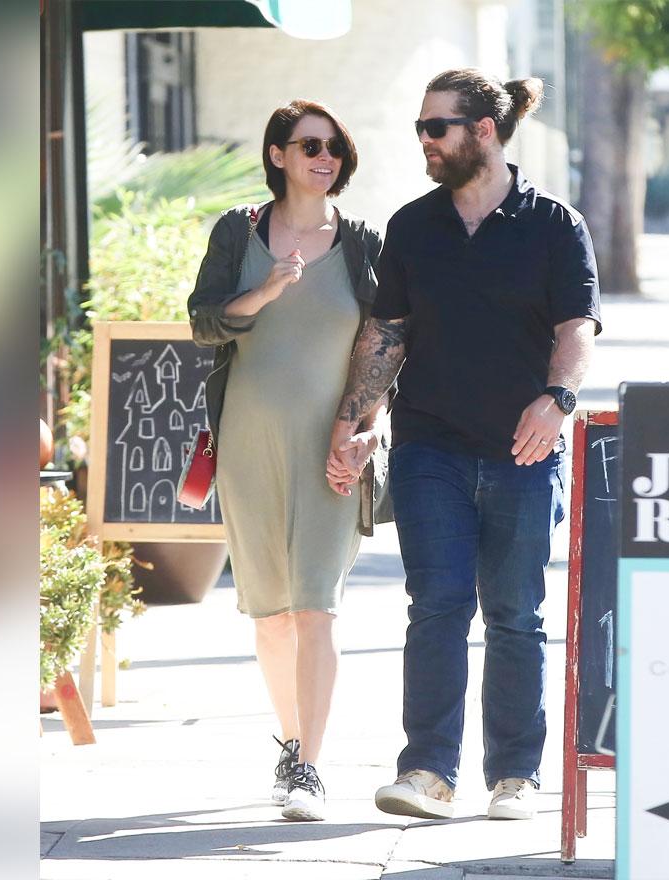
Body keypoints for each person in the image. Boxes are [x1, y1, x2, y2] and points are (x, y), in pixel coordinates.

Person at [326, 69, 601, 821]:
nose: (425, 140)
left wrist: (559, 400)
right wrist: (357, 423)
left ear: (483, 131)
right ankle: (426, 773)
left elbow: (577, 330)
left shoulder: (554, 224)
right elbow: (387, 335)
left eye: (436, 127)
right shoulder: (414, 226)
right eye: (421, 128)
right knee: (437, 606)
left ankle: (515, 775)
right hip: (430, 450)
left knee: (515, 613)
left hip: (522, 451)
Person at [189, 100, 387, 822]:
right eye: (308, 144)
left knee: (316, 605)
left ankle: (309, 766)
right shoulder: (238, 231)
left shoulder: (363, 242)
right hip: (248, 442)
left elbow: (387, 347)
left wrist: (366, 432)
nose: (323, 156)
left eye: (333, 145)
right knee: (271, 613)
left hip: (331, 445)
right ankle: (292, 744)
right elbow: (203, 321)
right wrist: (266, 288)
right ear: (277, 154)